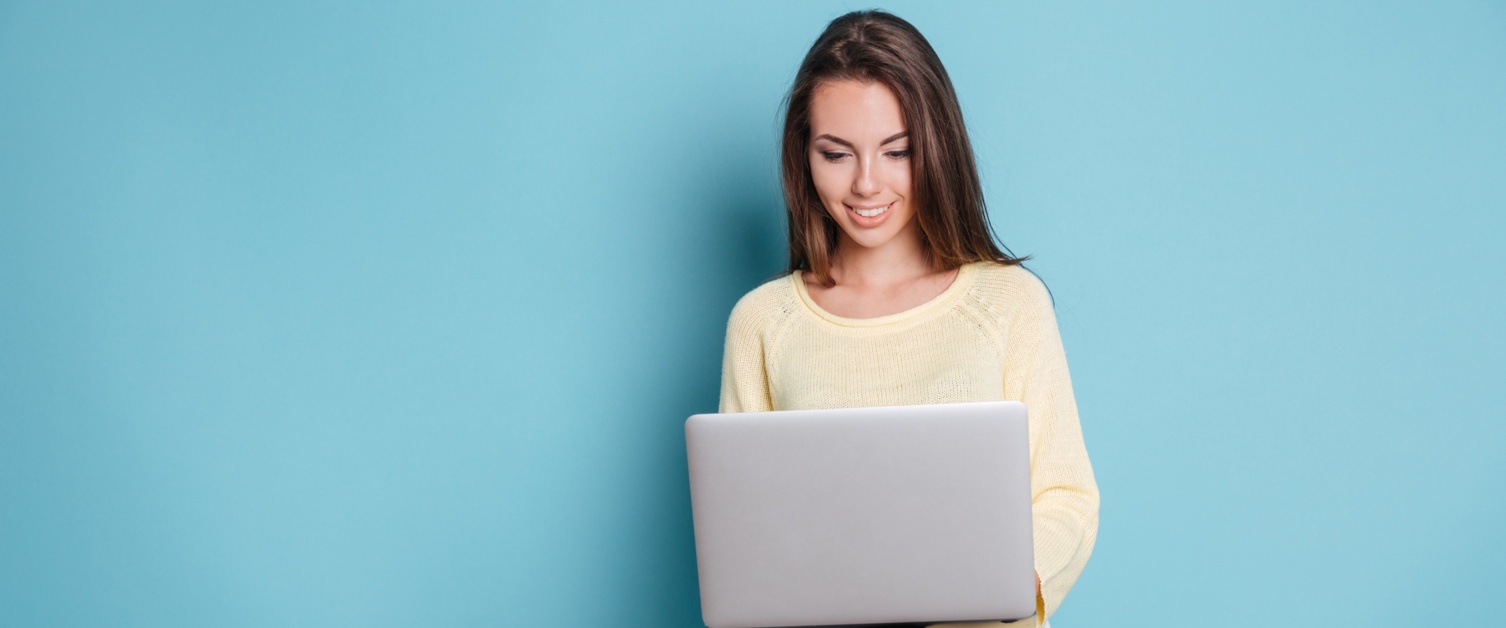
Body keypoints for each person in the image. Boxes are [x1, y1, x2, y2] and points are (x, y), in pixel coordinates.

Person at [716, 10, 1099, 628]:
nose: (867, 184)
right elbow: (742, 533)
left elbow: (1066, 499)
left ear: (937, 148)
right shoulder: (763, 323)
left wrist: (997, 581)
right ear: (802, 156)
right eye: (836, 154)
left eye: (898, 152)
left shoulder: (1007, 304)